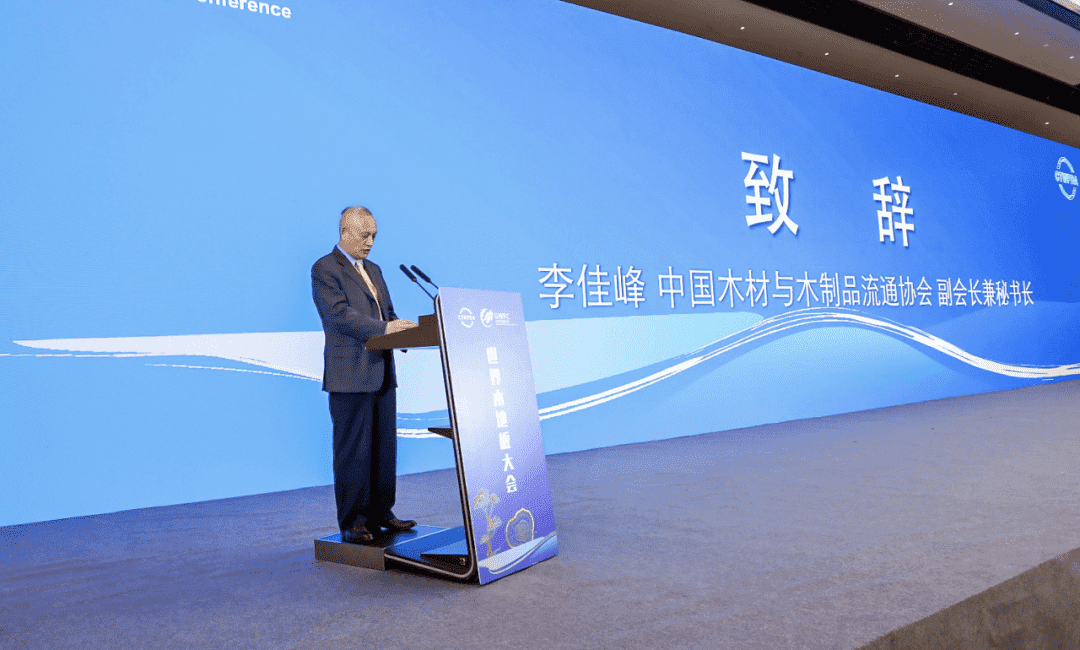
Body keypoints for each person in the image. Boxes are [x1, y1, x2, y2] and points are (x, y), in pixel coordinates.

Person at [311, 206, 418, 544]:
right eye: (364, 235)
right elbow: (340, 316)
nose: (370, 242)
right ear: (345, 232)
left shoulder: (374, 269)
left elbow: (387, 314)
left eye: (374, 236)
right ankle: (353, 521)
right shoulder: (325, 268)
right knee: (353, 452)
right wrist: (386, 329)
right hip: (350, 374)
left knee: (384, 448)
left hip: (382, 371)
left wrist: (406, 331)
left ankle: (382, 513)